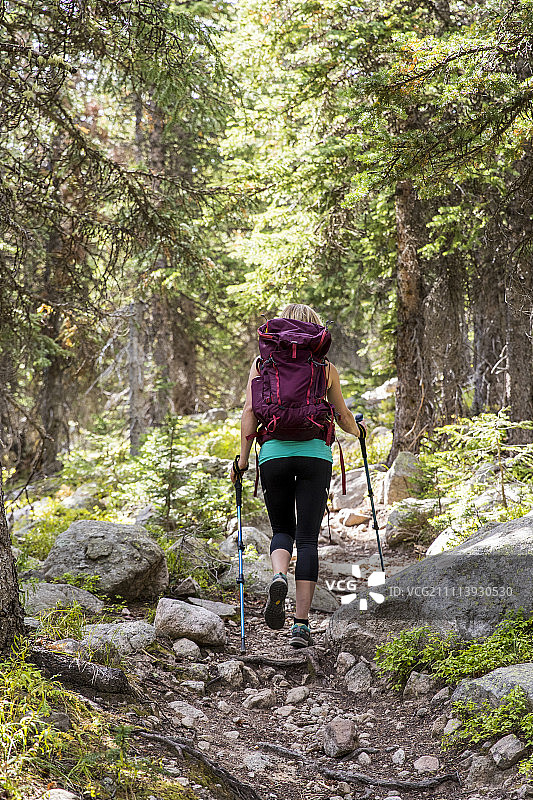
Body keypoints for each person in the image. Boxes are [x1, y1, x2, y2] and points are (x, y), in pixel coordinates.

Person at [231, 303, 366, 648]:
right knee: (307, 539)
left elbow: (249, 413)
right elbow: (343, 417)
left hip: (273, 454)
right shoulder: (325, 367)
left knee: (281, 531)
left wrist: (243, 461)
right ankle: (301, 625)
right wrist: (360, 433)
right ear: (316, 330)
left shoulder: (263, 364)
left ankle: (279, 575)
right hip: (314, 456)